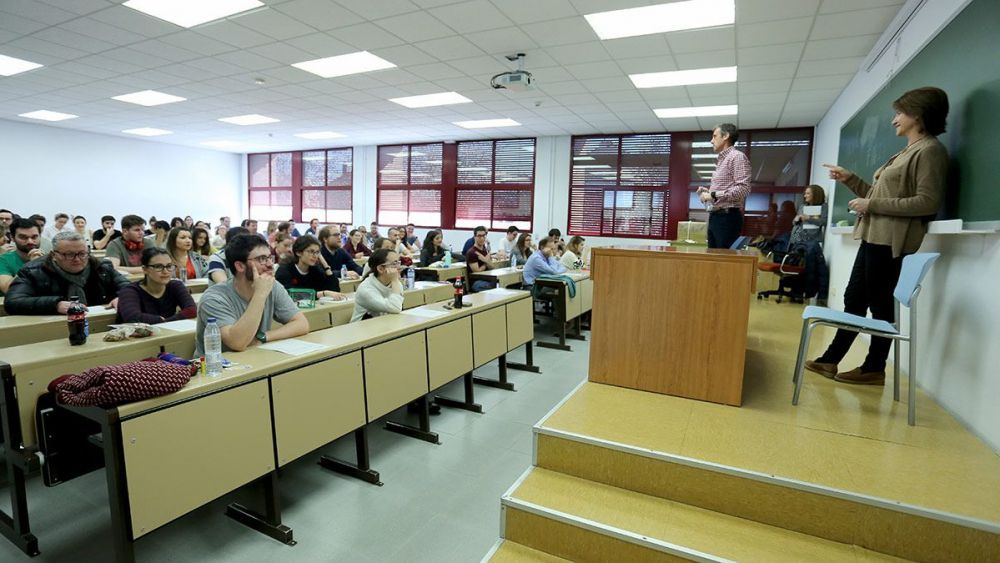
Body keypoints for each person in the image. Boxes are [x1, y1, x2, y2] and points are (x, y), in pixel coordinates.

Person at [806, 87, 950, 386]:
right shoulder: (906, 151)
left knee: (880, 304)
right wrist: (851, 180)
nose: (894, 120)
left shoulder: (930, 151)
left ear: (918, 114)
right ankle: (830, 360)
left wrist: (870, 204)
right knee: (854, 299)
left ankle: (874, 367)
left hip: (891, 241)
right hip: (874, 236)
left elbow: (927, 201)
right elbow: (879, 195)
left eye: (899, 113)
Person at [195, 234, 308, 355]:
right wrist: (260, 294)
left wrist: (263, 337)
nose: (270, 264)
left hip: (255, 357)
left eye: (270, 257)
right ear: (240, 266)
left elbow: (302, 324)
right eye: (262, 259)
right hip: (217, 368)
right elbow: (238, 343)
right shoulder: (214, 298)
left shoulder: (272, 286)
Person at [5, 231, 129, 314]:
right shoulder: (32, 270)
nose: (77, 259)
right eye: (69, 254)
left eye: (82, 254)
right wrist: (56, 305)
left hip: (98, 321)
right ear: (54, 255)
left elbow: (130, 288)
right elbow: (13, 302)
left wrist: (124, 298)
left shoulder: (101, 267)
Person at [699, 123, 752, 249]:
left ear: (726, 136)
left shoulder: (737, 157)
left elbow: (743, 189)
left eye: (714, 136)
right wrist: (708, 193)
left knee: (723, 262)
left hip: (727, 219)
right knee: (713, 260)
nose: (711, 141)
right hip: (716, 217)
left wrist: (712, 194)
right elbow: (725, 190)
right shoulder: (722, 160)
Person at [116, 247, 197, 324]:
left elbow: (192, 310)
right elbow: (132, 317)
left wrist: (165, 322)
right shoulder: (130, 290)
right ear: (145, 269)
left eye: (169, 266)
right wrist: (160, 320)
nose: (165, 271)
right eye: (158, 267)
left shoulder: (175, 285)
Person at [275, 235, 343, 299]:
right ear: (298, 252)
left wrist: (326, 266)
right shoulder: (284, 270)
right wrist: (322, 294)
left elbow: (335, 290)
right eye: (311, 251)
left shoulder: (315, 270)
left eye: (317, 252)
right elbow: (289, 295)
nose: (315, 256)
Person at [351, 248, 404, 322]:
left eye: (399, 262)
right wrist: (395, 280)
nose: (399, 267)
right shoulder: (366, 289)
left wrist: (395, 281)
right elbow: (395, 307)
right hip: (363, 329)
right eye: (394, 264)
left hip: (384, 324)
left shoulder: (395, 283)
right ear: (380, 269)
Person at [0, 218, 44, 295]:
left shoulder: (51, 259)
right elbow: (8, 290)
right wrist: (31, 264)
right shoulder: (3, 260)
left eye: (34, 237)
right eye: (23, 237)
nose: (30, 241)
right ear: (12, 238)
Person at [465, 226, 496, 292]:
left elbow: (492, 267)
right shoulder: (472, 252)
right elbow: (477, 272)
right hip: (477, 282)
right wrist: (486, 261)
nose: (482, 238)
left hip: (487, 279)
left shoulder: (485, 250)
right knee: (496, 287)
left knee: (501, 283)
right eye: (479, 236)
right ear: (475, 237)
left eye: (484, 236)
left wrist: (485, 260)